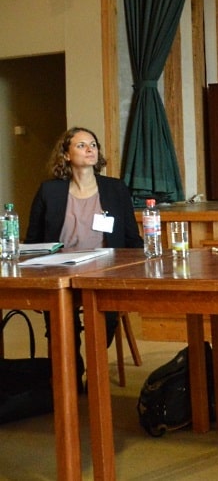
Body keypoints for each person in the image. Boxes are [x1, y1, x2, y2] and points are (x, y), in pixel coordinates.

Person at [25, 127, 144, 390]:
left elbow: (131, 238)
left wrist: (137, 271)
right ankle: (73, 370)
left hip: (106, 270)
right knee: (59, 323)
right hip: (59, 270)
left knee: (105, 320)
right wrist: (34, 282)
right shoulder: (50, 191)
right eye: (81, 145)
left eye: (93, 144)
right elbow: (33, 242)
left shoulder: (114, 189)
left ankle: (95, 364)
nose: (90, 149)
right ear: (65, 154)